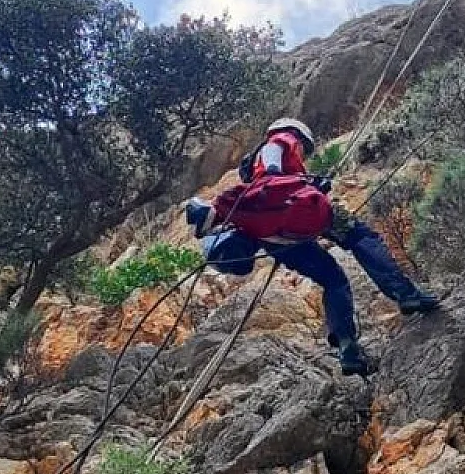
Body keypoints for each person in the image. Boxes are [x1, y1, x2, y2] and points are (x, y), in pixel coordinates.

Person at [185, 118, 439, 376]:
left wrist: (306, 182)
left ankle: (348, 347)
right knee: (361, 237)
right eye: (304, 148)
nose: (303, 152)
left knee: (333, 279)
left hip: (278, 240)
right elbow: (275, 153)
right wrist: (280, 174)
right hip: (300, 209)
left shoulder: (253, 187)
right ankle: (406, 294)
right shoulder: (282, 139)